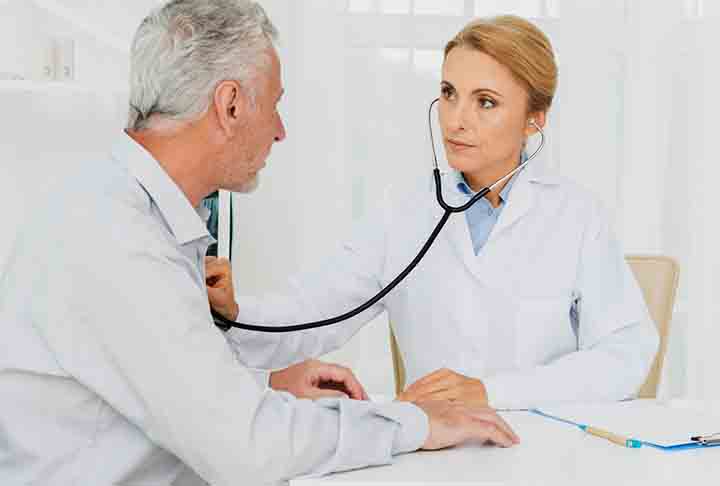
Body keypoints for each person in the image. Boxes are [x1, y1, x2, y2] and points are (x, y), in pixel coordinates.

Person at [0, 2, 520, 486]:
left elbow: (158, 378)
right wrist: (412, 423)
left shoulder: (122, 207)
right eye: (274, 105)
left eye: (486, 102)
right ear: (229, 105)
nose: (280, 131)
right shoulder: (118, 236)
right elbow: (245, 446)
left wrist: (261, 385)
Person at [210, 15, 659, 410]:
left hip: (548, 451)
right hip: (438, 451)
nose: (455, 119)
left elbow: (624, 356)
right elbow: (314, 311)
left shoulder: (576, 216)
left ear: (534, 119)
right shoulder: (403, 213)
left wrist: (491, 392)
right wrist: (236, 311)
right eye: (449, 93)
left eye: (485, 102)